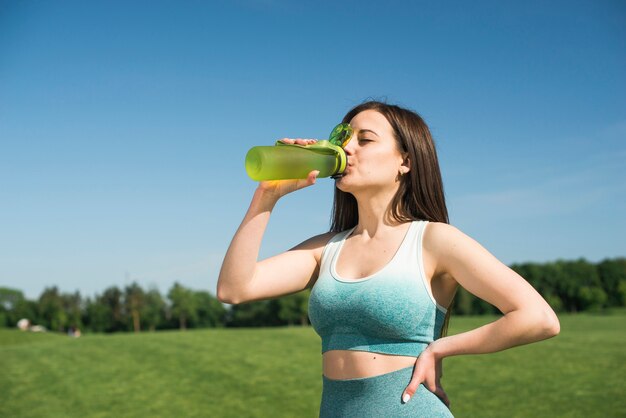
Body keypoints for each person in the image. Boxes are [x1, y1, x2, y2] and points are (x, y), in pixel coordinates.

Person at [217, 100, 560, 417]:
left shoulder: (433, 240)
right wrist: (266, 197)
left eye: (364, 140)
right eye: (344, 139)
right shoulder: (326, 249)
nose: (346, 148)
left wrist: (439, 349)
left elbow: (538, 317)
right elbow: (234, 289)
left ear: (405, 161)